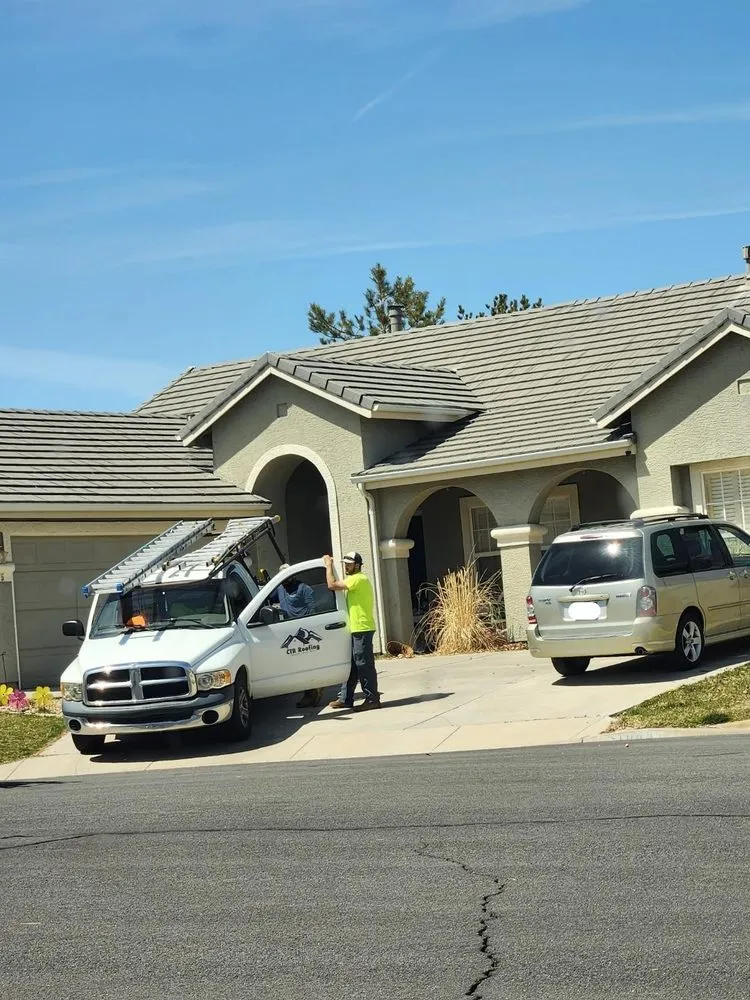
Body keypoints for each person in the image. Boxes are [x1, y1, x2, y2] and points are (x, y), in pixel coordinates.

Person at [323, 551, 380, 711]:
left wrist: (328, 565)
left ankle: (372, 699)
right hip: (356, 629)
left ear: (357, 565)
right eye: (345, 564)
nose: (346, 566)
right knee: (354, 665)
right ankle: (345, 698)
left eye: (349, 564)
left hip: (362, 628)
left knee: (364, 665)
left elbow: (331, 585)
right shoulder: (353, 579)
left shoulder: (358, 579)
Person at [274, 568, 322, 709]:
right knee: (299, 665)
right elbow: (265, 597)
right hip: (288, 631)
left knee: (308, 663)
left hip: (304, 631)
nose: (285, 580)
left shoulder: (303, 588)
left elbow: (312, 607)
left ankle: (312, 694)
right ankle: (311, 692)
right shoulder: (279, 589)